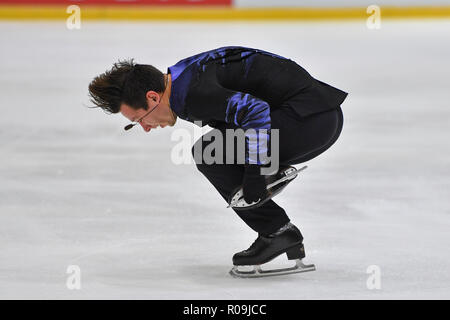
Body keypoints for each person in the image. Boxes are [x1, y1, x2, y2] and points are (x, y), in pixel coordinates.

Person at [88, 46, 347, 277]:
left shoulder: (193, 92)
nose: (145, 128)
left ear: (153, 97)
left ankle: (277, 232)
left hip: (311, 121)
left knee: (209, 152)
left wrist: (254, 173)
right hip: (315, 116)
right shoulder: (182, 79)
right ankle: (276, 220)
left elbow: (255, 110)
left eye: (140, 119)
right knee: (214, 148)